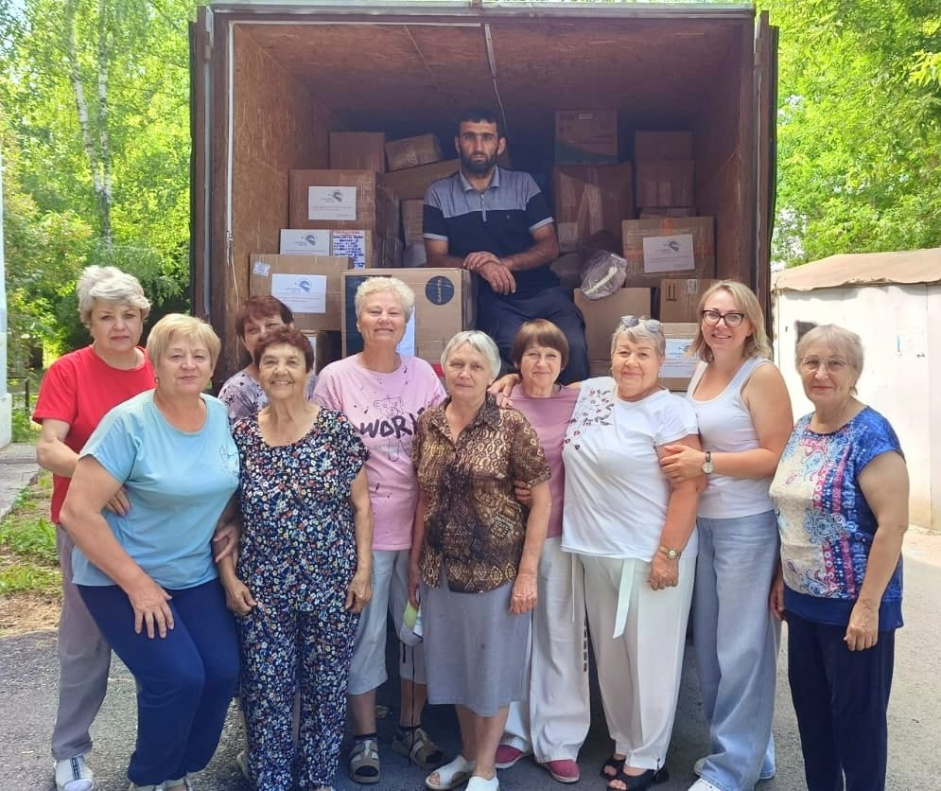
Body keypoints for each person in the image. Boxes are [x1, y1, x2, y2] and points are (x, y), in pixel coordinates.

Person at [59, 314, 241, 791]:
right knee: (177, 677)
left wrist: (233, 523)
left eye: (198, 356)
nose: (188, 365)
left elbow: (224, 483)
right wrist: (138, 585)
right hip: (120, 577)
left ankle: (179, 767)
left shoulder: (219, 414)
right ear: (155, 364)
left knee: (222, 672)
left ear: (212, 366)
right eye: (175, 356)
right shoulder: (128, 423)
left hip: (191, 573)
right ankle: (151, 777)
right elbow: (77, 514)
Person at [219, 326, 373, 791]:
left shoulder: (335, 431)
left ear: (309, 371)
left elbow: (362, 505)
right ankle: (271, 780)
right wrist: (229, 579)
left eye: (291, 362)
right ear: (258, 373)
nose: (281, 371)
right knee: (266, 693)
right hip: (263, 587)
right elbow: (223, 518)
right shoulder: (241, 436)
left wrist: (363, 572)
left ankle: (317, 780)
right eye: (270, 362)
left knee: (326, 692)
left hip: (331, 584)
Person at [659, 281, 793, 791]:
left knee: (744, 651)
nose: (719, 323)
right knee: (714, 650)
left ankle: (730, 770)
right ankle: (747, 755)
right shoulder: (700, 369)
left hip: (748, 527)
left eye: (732, 315)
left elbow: (777, 456)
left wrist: (706, 461)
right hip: (705, 526)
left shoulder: (761, 376)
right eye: (711, 314)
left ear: (751, 322)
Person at [313, 277, 447, 784]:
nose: (384, 319)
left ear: (407, 322)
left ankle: (410, 728)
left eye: (394, 312)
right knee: (366, 638)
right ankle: (365, 736)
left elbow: (446, 440)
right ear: (359, 319)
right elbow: (322, 453)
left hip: (419, 529)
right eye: (374, 311)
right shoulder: (335, 378)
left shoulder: (425, 379)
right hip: (359, 535)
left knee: (416, 634)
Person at [562, 316, 703, 791]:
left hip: (647, 552)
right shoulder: (595, 389)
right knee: (613, 656)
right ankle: (624, 741)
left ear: (661, 362)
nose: (631, 362)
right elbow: (543, 383)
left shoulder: (671, 412)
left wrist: (669, 552)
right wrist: (511, 377)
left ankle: (651, 754)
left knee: (653, 657)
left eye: (643, 354)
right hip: (595, 547)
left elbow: (690, 486)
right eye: (624, 351)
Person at [410, 331, 552, 791]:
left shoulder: (511, 426)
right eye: (456, 364)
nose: (465, 373)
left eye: (475, 365)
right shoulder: (428, 422)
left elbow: (542, 501)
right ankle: (468, 755)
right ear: (444, 369)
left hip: (496, 571)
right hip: (441, 568)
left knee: (491, 671)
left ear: (492, 374)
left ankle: (486, 770)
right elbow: (425, 496)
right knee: (455, 668)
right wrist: (415, 562)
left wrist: (528, 572)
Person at [769, 324, 908, 791]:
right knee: (814, 724)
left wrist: (868, 607)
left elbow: (893, 525)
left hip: (854, 610)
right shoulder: (800, 429)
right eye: (811, 362)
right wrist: (779, 580)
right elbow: (788, 515)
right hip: (803, 604)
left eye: (835, 364)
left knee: (859, 730)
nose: (821, 373)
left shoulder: (871, 433)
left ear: (854, 372)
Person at [33, 265, 155, 791]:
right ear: (90, 322)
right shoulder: (69, 371)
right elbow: (47, 448)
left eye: (129, 315)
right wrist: (97, 476)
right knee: (86, 641)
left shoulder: (160, 367)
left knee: (159, 637)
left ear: (142, 318)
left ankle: (158, 758)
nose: (120, 325)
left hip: (155, 529)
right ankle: (71, 752)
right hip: (87, 524)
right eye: (107, 317)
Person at [423, 107, 588, 383]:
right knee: (518, 356)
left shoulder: (523, 184)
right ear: (457, 143)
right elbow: (436, 259)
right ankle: (522, 423)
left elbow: (550, 247)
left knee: (574, 347)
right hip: (497, 301)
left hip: (543, 292)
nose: (478, 146)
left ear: (500, 145)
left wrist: (502, 263)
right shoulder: (439, 194)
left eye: (486, 137)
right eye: (469, 137)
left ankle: (579, 419)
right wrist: (482, 267)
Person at [492, 320, 587, 784]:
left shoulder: (583, 401)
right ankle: (512, 734)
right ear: (517, 361)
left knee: (560, 638)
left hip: (562, 535)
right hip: (509, 537)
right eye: (531, 355)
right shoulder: (501, 403)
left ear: (564, 363)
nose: (541, 363)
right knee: (514, 637)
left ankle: (559, 739)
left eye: (551, 355)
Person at [218, 295, 317, 422]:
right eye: (253, 330)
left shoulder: (308, 377)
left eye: (271, 325)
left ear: (290, 328)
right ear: (244, 341)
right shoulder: (236, 391)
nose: (263, 334)